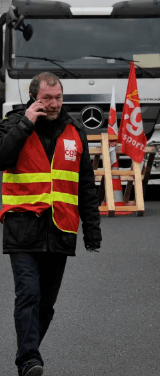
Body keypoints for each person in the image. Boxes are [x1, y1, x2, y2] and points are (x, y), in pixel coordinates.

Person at [0, 72, 102, 376]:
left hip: (61, 228)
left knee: (46, 304)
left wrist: (92, 231)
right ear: (34, 98)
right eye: (47, 98)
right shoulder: (13, 123)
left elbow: (86, 185)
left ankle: (27, 355)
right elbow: (2, 157)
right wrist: (25, 124)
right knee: (28, 294)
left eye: (58, 97)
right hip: (22, 226)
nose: (54, 103)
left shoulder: (74, 130)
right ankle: (29, 360)